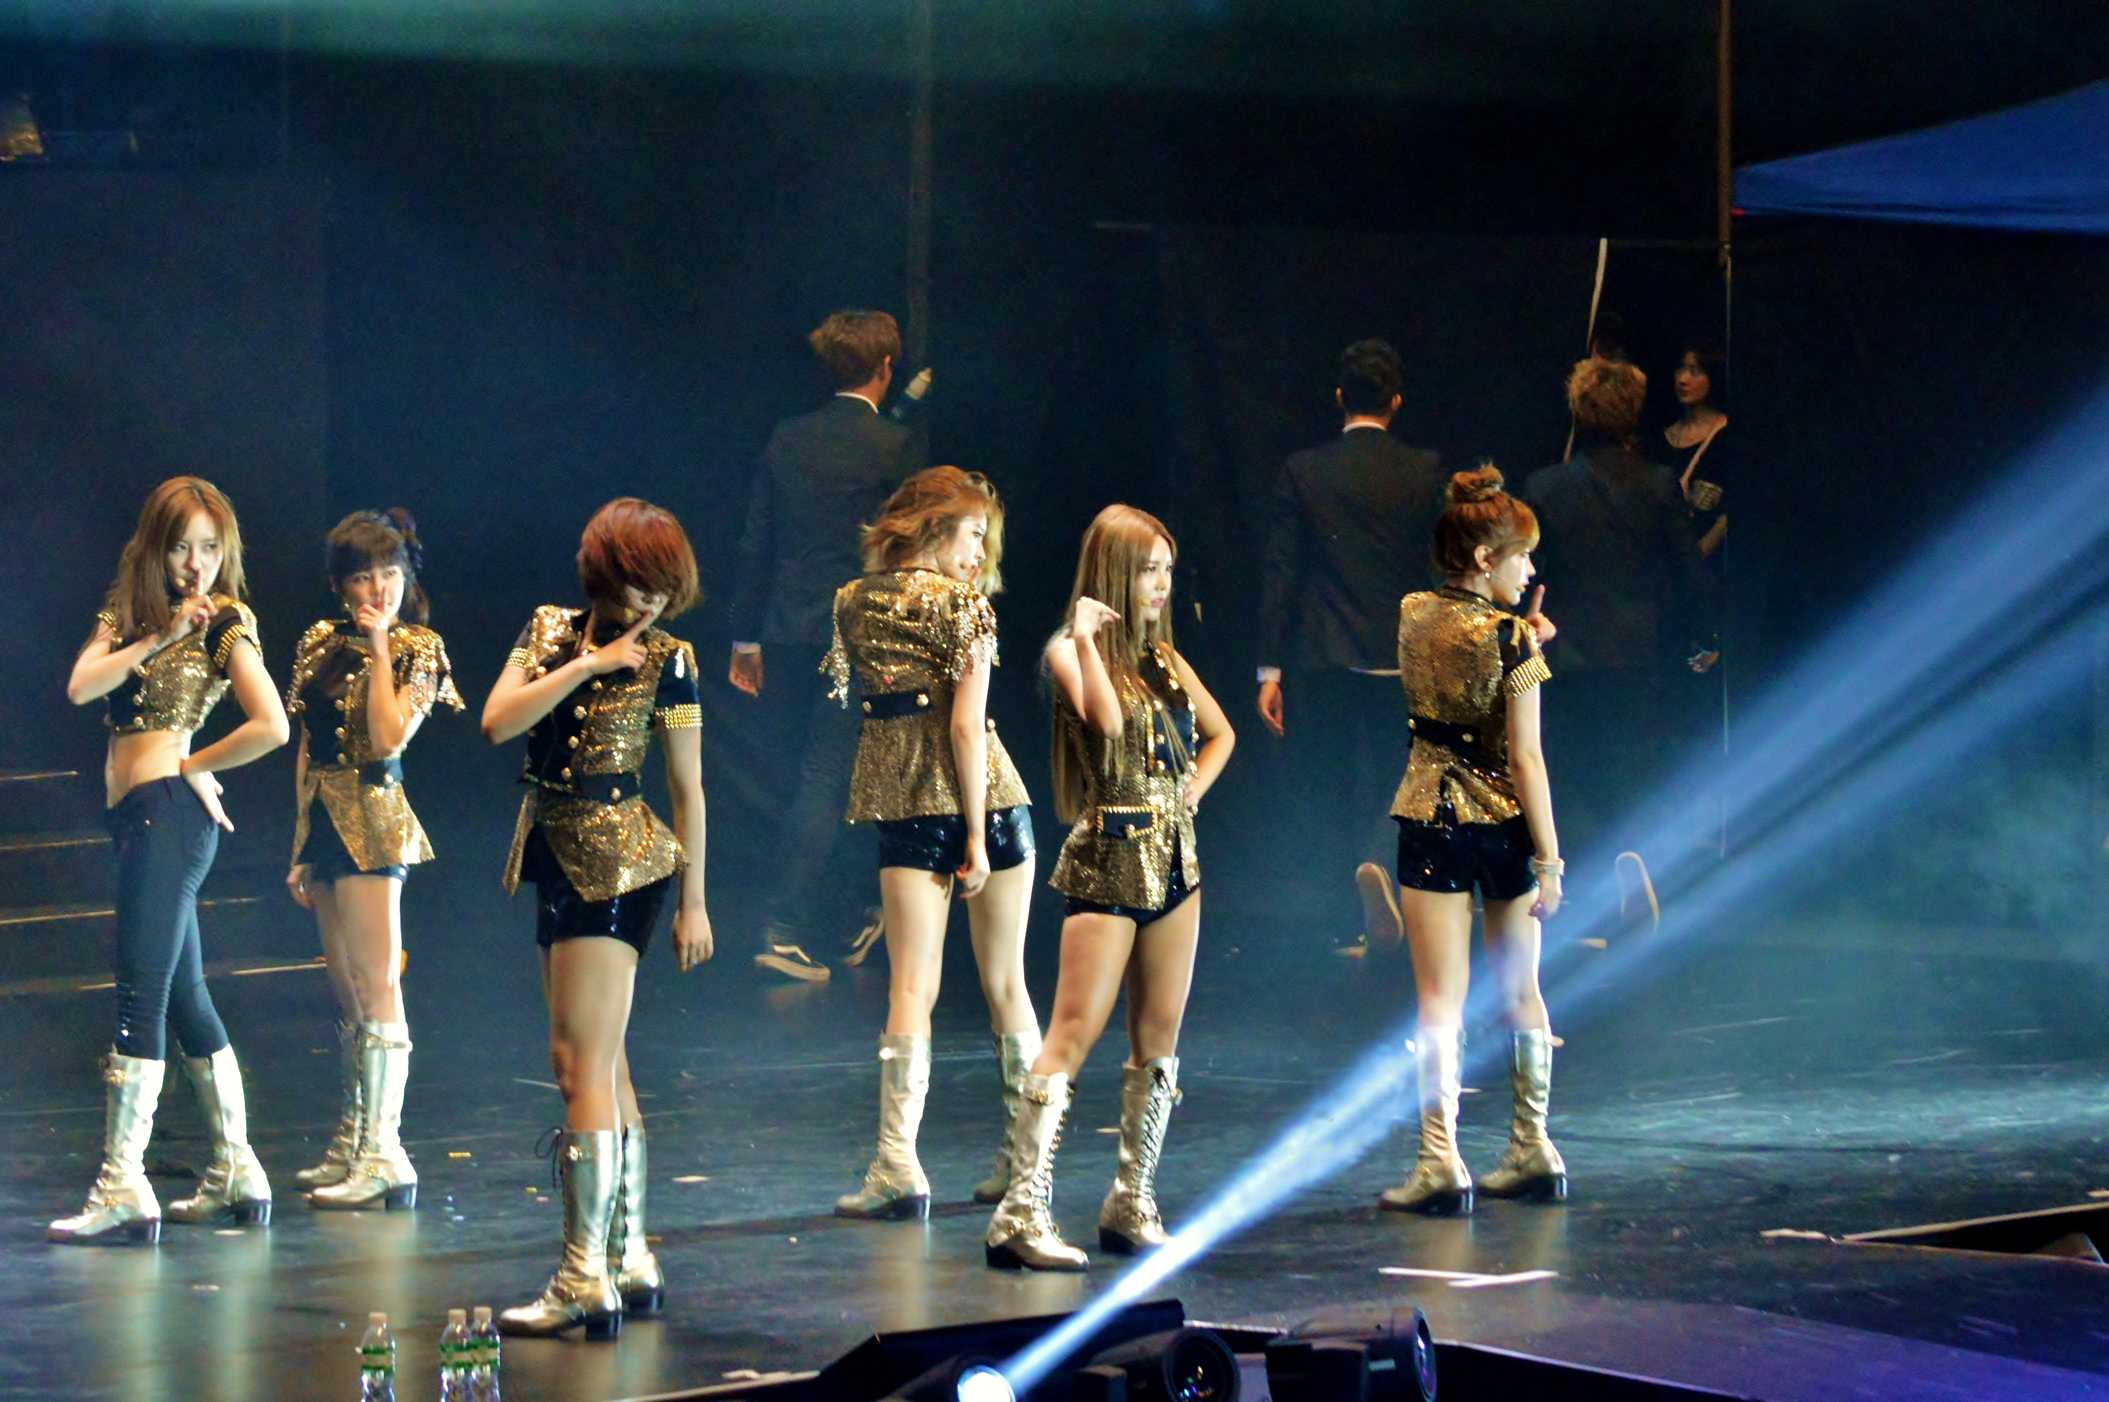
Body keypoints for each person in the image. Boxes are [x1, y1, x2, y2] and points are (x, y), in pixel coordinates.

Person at [481, 498, 715, 1339]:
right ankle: (629, 1255)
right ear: (603, 573)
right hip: (550, 850)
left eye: (661, 586)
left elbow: (687, 787)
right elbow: (497, 721)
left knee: (583, 1066)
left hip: (621, 864)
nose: (649, 601)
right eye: (636, 582)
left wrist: (694, 901)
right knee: (594, 1065)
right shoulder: (548, 631)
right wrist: (587, 665)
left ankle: (584, 1275)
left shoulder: (671, 661)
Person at [984, 505, 1235, 1271]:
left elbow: (1222, 733)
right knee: (1073, 1030)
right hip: (1110, 856)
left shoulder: (1165, 659)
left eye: (1167, 570)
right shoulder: (1070, 649)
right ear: (1114, 573)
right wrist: (1092, 639)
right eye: (1147, 569)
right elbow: (1107, 723)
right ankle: (1020, 1211)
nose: (1160, 584)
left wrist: (1189, 794)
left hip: (1176, 860)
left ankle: (1131, 1200)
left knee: (1158, 1040)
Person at [51, 476, 291, 1244]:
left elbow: (272, 724)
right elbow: (81, 687)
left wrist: (194, 764)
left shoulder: (226, 622)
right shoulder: (127, 615)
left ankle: (123, 1182)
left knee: (140, 995)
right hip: (139, 818)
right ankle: (237, 1169)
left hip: (170, 818)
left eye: (210, 549)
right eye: (183, 547)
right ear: (156, 548)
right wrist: (155, 637)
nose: (196, 565)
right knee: (185, 998)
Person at [823, 467, 1043, 1220]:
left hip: (911, 805)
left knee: (911, 987)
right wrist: (977, 833)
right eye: (973, 533)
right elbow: (964, 727)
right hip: (990, 803)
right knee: (1006, 984)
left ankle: (897, 1165)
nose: (980, 552)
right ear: (932, 526)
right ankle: (1023, 1167)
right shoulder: (965, 607)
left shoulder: (852, 601)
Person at [1375, 466, 1566, 1216]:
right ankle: (1531, 1146)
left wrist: (1520, 636)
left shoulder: (1411, 612)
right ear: (1486, 559)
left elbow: (1454, 650)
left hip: (1432, 817)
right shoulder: (1514, 640)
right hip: (1505, 828)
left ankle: (1439, 1161)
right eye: (1522, 557)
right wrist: (1550, 860)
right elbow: (1527, 758)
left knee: (1438, 999)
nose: (1531, 571)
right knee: (1521, 991)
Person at [729, 310, 922, 983]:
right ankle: (789, 927)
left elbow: (756, 541)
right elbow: (906, 549)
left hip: (787, 630)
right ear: (886, 367)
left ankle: (849, 914)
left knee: (811, 774)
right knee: (834, 775)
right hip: (859, 631)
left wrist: (745, 637)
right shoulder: (894, 445)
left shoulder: (788, 438)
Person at [284, 510, 463, 1210]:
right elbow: (307, 743)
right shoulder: (318, 641)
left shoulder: (420, 648)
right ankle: (354, 1137)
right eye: (362, 577)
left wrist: (383, 644)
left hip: (375, 820)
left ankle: (386, 1153)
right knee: (346, 989)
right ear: (340, 585)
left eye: (389, 573)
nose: (378, 588)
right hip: (326, 820)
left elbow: (388, 739)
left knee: (378, 981)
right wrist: (298, 843)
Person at [1255, 339, 1443, 948]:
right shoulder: (1426, 471)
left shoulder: (1303, 470)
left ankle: (1343, 919)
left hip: (1325, 654)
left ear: (1339, 397)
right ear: (1397, 401)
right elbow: (1442, 567)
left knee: (1330, 784)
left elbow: (1282, 573)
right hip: (1403, 654)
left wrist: (1270, 670)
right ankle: (1389, 880)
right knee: (1402, 779)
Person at [1523, 359, 1716, 854]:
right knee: (1632, 783)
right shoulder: (1658, 484)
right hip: (1639, 655)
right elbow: (1690, 573)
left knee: (1568, 779)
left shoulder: (1545, 487)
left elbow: (1528, 578)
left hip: (1564, 657)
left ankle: (1575, 881)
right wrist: (1705, 636)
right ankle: (1633, 874)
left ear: (1578, 411)